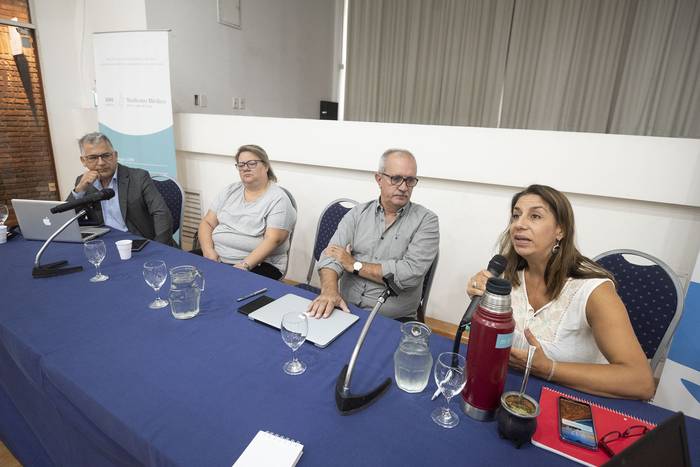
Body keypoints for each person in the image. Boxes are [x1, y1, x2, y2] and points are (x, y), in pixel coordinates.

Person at [467, 184, 655, 400]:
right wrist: (480, 300)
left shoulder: (594, 290)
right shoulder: (506, 275)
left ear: (561, 230)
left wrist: (549, 368)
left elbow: (641, 382)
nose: (519, 224)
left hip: (576, 403)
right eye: (515, 216)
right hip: (511, 392)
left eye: (535, 216)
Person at [307, 149, 439, 321]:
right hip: (345, 308)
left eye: (410, 180)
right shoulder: (357, 214)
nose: (404, 187)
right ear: (379, 179)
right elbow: (331, 256)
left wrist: (354, 265)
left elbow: (408, 274)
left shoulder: (426, 221)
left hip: (392, 318)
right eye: (396, 178)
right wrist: (330, 291)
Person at [197, 144, 296, 280]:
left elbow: (273, 239)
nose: (245, 168)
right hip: (217, 257)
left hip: (259, 265)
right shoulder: (229, 191)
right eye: (241, 164)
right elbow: (207, 222)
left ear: (266, 166)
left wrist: (244, 265)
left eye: (252, 163)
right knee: (180, 270)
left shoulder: (279, 199)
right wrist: (208, 252)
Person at [68, 132, 174, 245]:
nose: (101, 163)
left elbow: (162, 213)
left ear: (115, 155)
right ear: (83, 161)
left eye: (106, 155)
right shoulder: (83, 182)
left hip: (137, 242)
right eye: (93, 158)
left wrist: (159, 247)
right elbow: (66, 221)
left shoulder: (138, 177)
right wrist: (79, 190)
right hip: (103, 242)